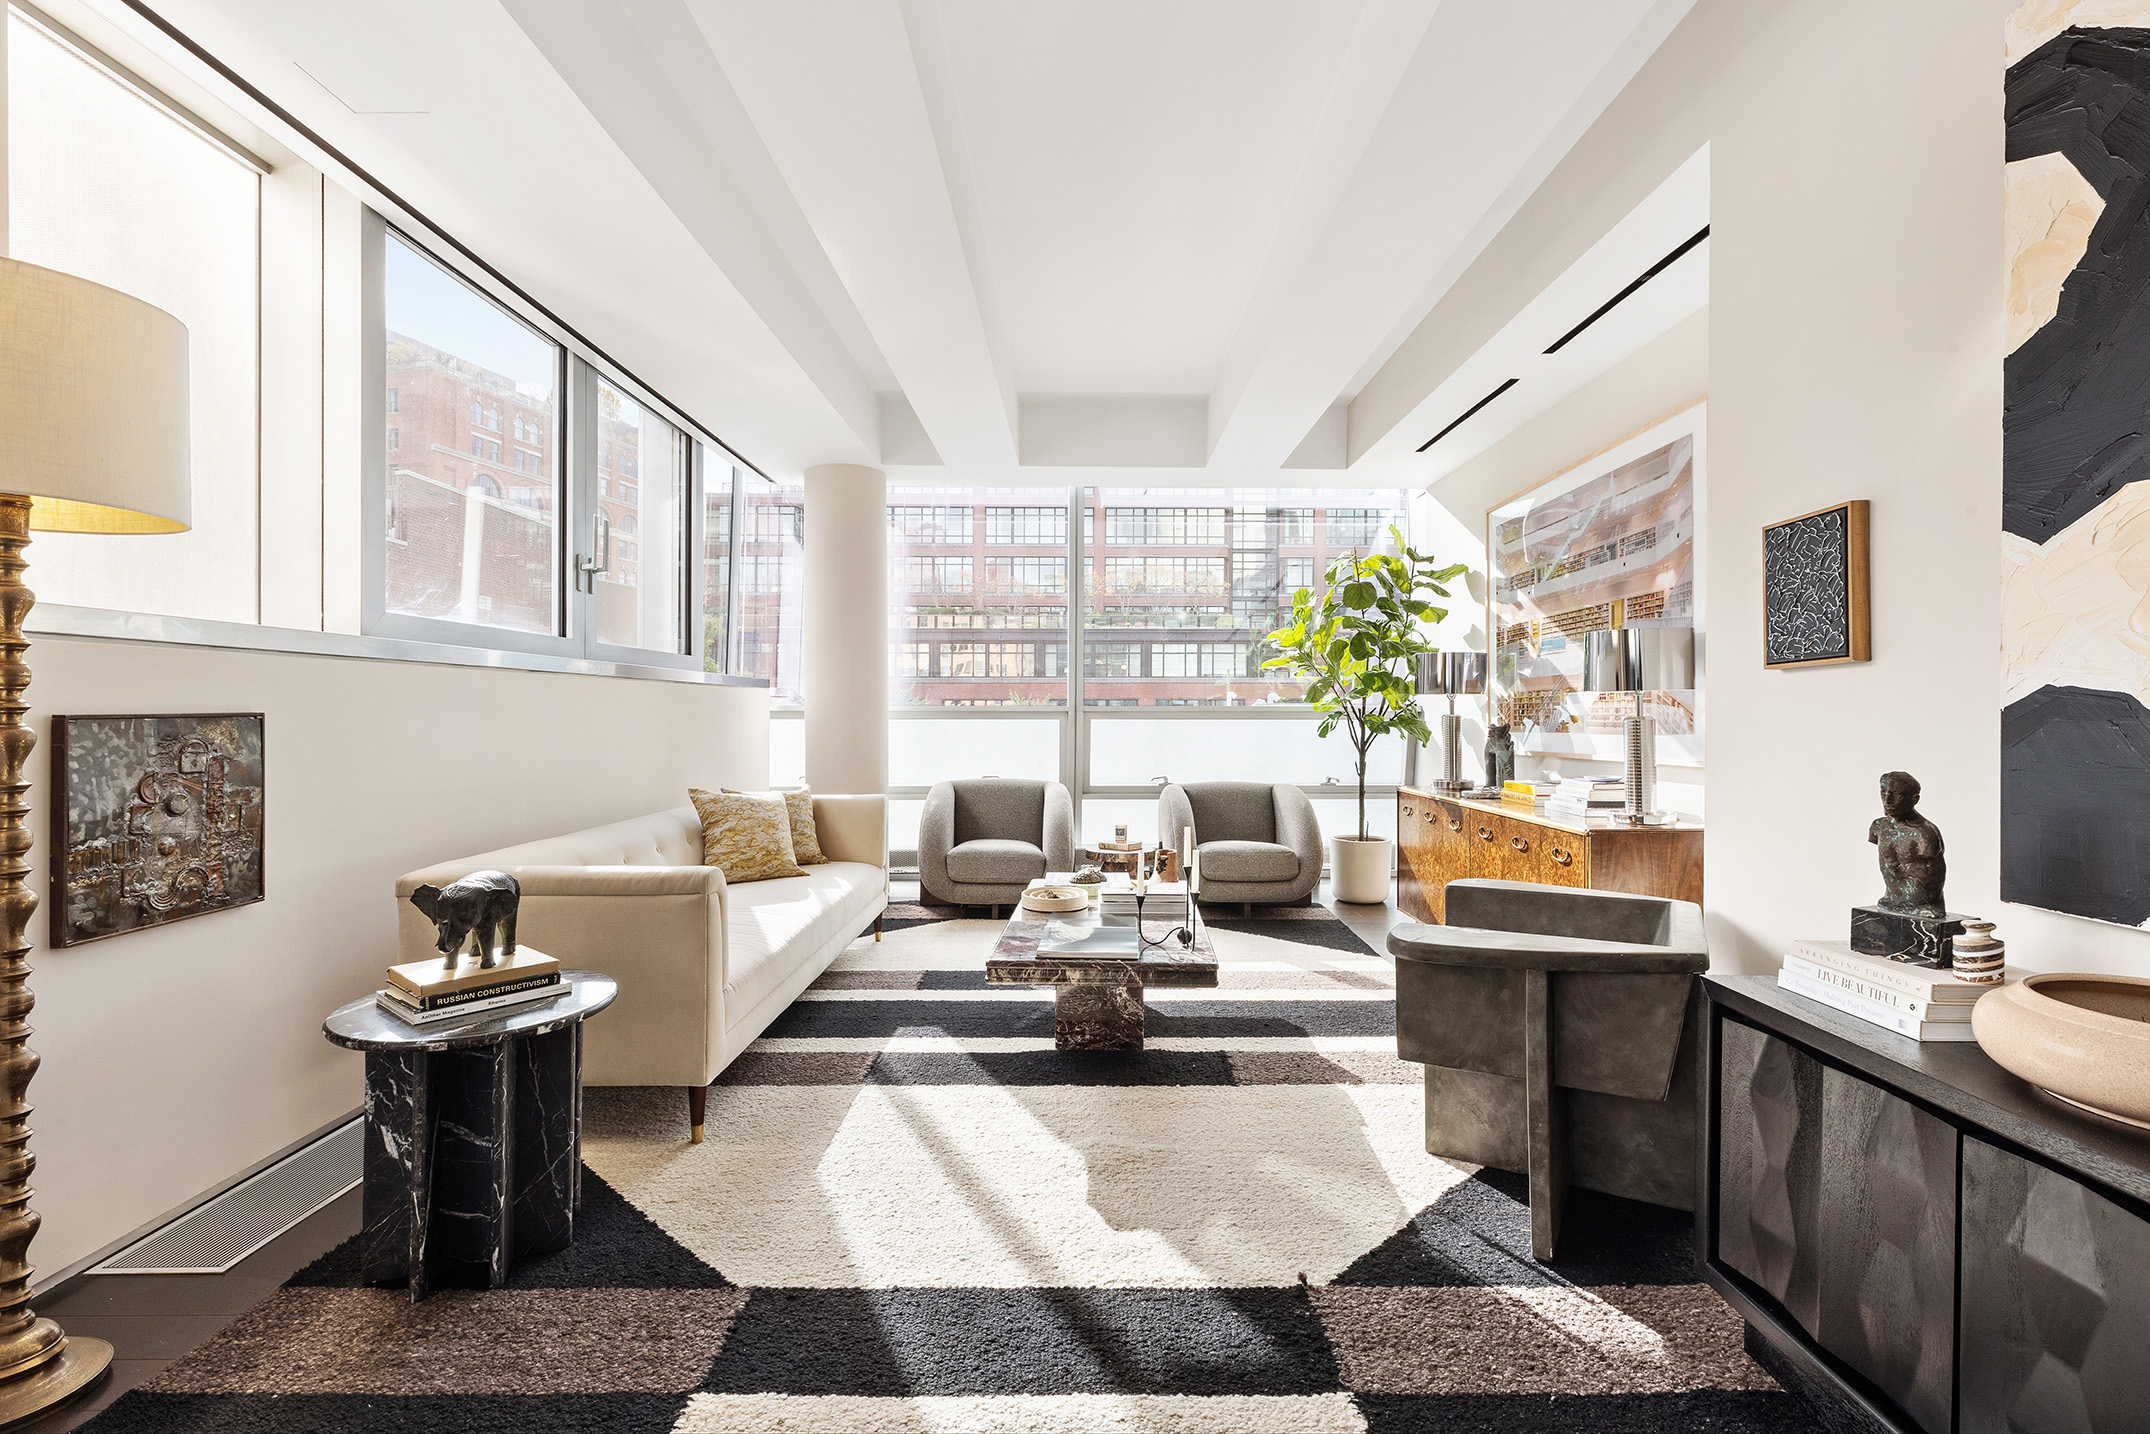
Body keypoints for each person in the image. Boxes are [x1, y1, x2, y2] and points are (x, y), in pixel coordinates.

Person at [1870, 771, 1946, 917]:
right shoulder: (1878, 826)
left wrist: (1930, 905)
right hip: (1889, 900)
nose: (1887, 800)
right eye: (1884, 792)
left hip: (1920, 905)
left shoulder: (1924, 833)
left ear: (1914, 799)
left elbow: (1936, 876)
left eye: (1896, 795)